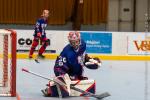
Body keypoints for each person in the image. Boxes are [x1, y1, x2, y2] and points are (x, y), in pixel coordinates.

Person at [41, 31, 102, 97]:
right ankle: (50, 88)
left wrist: (89, 59)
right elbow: (62, 66)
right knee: (67, 80)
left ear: (79, 39)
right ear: (69, 41)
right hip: (61, 68)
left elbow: (82, 56)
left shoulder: (83, 44)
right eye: (72, 42)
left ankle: (69, 81)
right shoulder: (68, 52)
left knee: (80, 79)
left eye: (76, 41)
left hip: (73, 69)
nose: (75, 44)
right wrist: (64, 77)